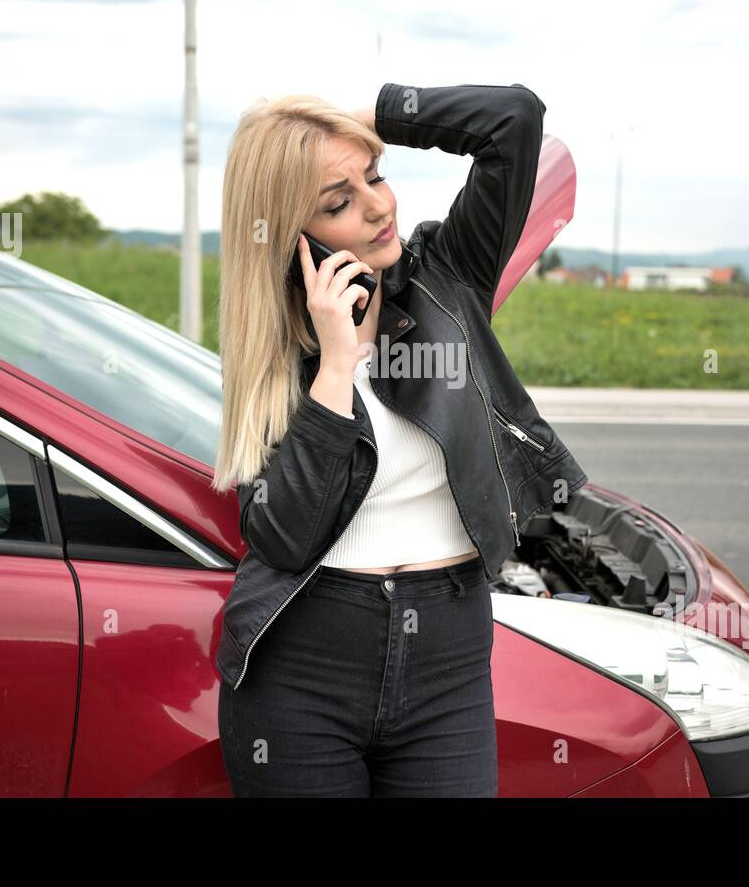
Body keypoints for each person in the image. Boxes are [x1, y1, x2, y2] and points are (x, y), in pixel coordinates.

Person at [211, 80, 588, 796]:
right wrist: (336, 366)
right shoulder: (274, 353)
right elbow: (283, 537)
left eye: (375, 176)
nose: (378, 205)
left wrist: (366, 119)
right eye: (337, 202)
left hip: (448, 660)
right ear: (290, 234)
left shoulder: (453, 275)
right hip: (301, 671)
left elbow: (514, 120)